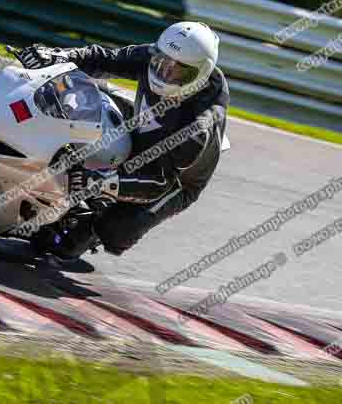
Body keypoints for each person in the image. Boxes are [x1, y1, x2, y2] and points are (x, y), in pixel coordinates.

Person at [17, 21, 230, 260]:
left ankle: (91, 228)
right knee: (80, 90)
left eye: (177, 71)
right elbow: (106, 58)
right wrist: (59, 56)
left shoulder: (199, 127)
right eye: (161, 63)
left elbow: (157, 182)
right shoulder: (156, 55)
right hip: (142, 123)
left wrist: (99, 182)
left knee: (116, 230)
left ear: (200, 74)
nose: (164, 73)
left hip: (174, 178)